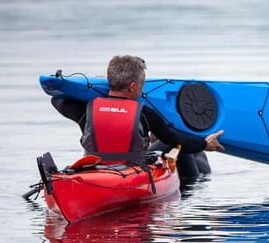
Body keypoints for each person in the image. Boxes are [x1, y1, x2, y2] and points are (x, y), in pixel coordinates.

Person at [50, 55, 224, 172]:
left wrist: (96, 88)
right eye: (142, 85)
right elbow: (176, 140)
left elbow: (57, 99)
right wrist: (203, 144)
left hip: (93, 171)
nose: (142, 90)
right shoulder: (144, 114)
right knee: (172, 148)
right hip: (131, 174)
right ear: (133, 86)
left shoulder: (87, 109)